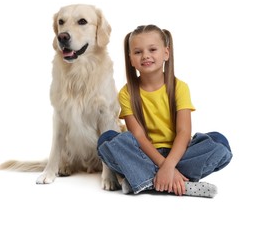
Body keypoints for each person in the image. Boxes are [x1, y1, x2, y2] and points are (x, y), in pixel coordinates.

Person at [97, 24, 232, 198]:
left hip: (180, 154)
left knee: (219, 142)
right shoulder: (127, 92)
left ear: (166, 53)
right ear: (130, 59)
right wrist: (164, 166)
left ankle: (143, 179)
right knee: (107, 140)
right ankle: (180, 183)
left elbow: (184, 132)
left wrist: (169, 166)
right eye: (138, 52)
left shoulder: (179, 88)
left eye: (152, 49)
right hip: (144, 153)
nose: (145, 55)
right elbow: (137, 135)